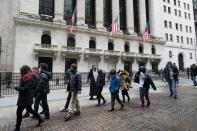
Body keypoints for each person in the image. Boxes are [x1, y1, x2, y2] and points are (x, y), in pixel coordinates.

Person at [12, 65, 44, 131]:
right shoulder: (28, 77)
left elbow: (24, 89)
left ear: (23, 71)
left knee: (19, 112)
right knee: (29, 110)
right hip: (27, 97)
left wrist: (16, 87)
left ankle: (17, 127)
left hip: (25, 98)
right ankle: (40, 119)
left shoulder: (27, 78)